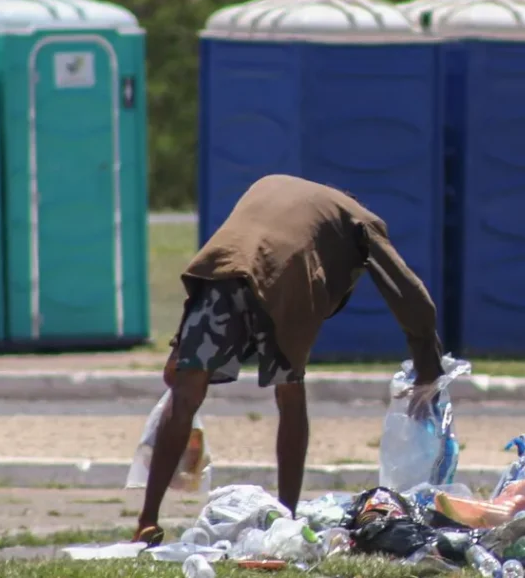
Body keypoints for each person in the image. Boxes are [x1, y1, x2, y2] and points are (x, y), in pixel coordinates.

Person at [132, 174, 444, 546]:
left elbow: (241, 239)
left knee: (185, 393)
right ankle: (287, 517)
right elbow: (408, 292)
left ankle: (146, 521)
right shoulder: (358, 218)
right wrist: (428, 365)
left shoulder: (271, 182)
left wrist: (179, 351)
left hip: (220, 269)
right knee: (290, 395)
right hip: (288, 280)